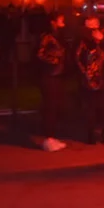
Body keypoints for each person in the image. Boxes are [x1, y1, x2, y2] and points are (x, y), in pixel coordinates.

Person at [76, 15, 104, 145]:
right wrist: (85, 74)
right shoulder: (83, 41)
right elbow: (78, 58)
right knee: (90, 108)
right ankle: (91, 135)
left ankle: (103, 134)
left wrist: (103, 42)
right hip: (89, 81)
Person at [36, 11, 68, 152]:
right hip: (48, 75)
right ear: (53, 22)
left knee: (56, 105)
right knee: (50, 106)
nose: (64, 22)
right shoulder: (47, 37)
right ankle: (48, 138)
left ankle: (52, 137)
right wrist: (54, 61)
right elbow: (40, 54)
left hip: (57, 75)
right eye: (61, 19)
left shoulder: (58, 36)